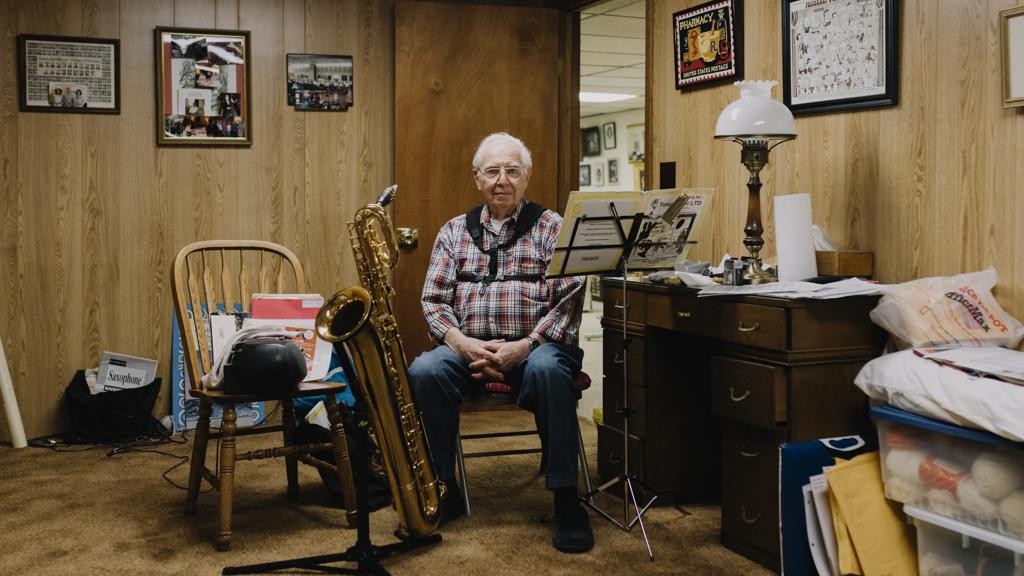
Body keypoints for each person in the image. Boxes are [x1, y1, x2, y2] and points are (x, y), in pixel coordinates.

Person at [409, 132, 592, 553]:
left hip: (536, 349)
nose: (502, 179)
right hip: (467, 349)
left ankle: (566, 499)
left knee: (549, 369)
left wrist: (523, 347)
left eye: (512, 170)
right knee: (425, 369)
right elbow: (433, 300)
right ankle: (444, 485)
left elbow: (570, 298)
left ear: (526, 177)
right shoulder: (454, 232)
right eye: (492, 171)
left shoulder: (552, 227)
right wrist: (462, 344)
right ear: (477, 179)